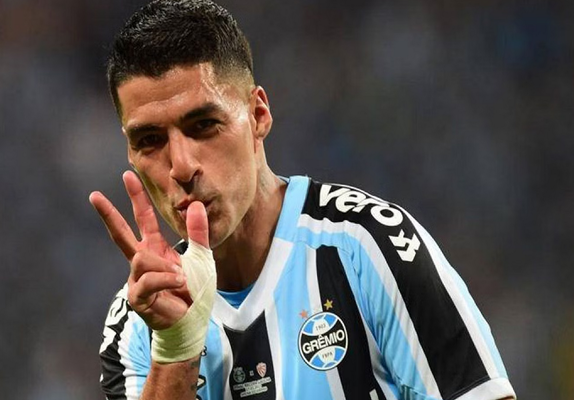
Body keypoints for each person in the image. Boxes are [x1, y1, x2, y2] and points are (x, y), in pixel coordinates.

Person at [89, 1, 517, 399]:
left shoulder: (371, 247)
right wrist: (176, 350)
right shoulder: (138, 320)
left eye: (203, 125)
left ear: (258, 115)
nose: (181, 166)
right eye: (150, 140)